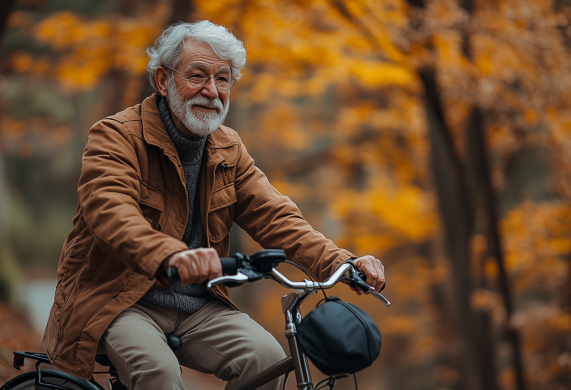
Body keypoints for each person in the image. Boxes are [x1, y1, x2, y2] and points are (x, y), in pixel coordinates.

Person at [43, 20, 386, 390]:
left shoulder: (229, 148)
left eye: (223, 79)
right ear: (163, 81)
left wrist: (342, 262)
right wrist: (171, 257)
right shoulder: (117, 136)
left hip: (199, 305)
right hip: (119, 299)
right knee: (158, 374)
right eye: (197, 76)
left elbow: (277, 217)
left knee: (267, 361)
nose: (211, 91)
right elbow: (110, 212)